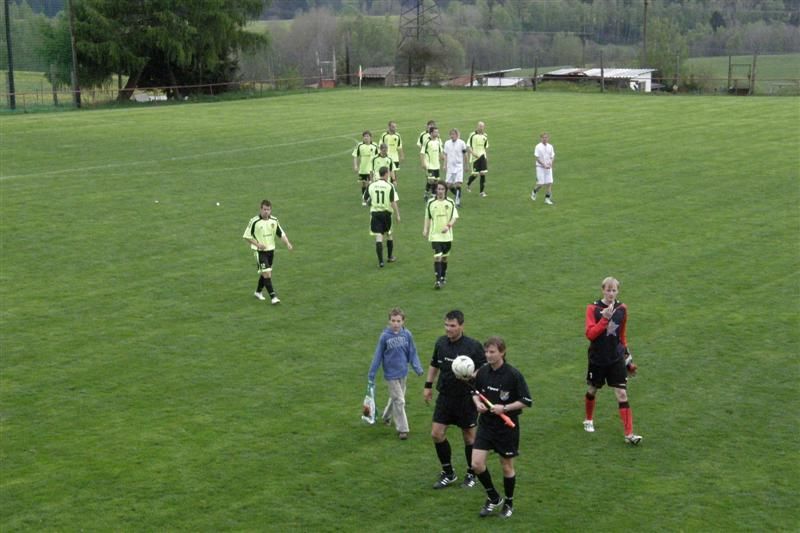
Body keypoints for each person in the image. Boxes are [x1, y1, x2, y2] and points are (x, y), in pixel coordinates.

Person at [469, 336, 533, 519]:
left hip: (506, 427)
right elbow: (475, 392)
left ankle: (509, 503)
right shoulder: (483, 372)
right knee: (476, 464)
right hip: (486, 424)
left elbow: (526, 401)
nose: (488, 355)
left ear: (502, 352)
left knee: (506, 467)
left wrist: (504, 408)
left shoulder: (513, 375)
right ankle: (493, 497)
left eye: (492, 352)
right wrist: (477, 404)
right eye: (486, 352)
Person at [423, 310, 487, 490]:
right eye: (446, 325)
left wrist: (472, 374)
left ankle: (471, 474)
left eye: (452, 326)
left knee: (469, 436)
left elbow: (485, 367)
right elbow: (434, 364)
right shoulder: (441, 343)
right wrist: (428, 386)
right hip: (445, 396)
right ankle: (448, 473)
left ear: (461, 326)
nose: (448, 329)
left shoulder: (473, 346)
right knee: (436, 433)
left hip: (466, 398)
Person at [583, 276, 642, 445]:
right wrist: (604, 319)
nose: (611, 293)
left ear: (617, 292)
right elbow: (590, 335)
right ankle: (588, 419)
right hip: (598, 358)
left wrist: (628, 359)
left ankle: (629, 434)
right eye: (608, 290)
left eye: (614, 290)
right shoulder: (593, 308)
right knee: (593, 389)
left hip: (615, 358)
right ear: (603, 290)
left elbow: (622, 336)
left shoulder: (622, 309)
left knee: (622, 393)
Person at [368, 308, 425, 440]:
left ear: (403, 321)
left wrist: (417, 368)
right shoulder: (385, 337)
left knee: (396, 398)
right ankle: (402, 429)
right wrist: (372, 374)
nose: (395, 324)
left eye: (398, 321)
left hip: (403, 373)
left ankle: (386, 416)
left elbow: (412, 352)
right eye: (393, 321)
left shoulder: (407, 335)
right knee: (399, 401)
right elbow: (378, 355)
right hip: (391, 375)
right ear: (389, 321)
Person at [242, 199, 293, 304]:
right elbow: (246, 236)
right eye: (264, 209)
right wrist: (258, 244)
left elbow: (281, 234)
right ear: (261, 209)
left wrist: (287, 243)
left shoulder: (274, 220)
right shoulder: (254, 221)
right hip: (259, 251)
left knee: (265, 272)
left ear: (271, 210)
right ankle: (273, 297)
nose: (266, 212)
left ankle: (258, 292)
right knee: (267, 274)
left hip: (271, 251)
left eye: (268, 209)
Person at [422, 181, 458, 289]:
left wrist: (448, 226)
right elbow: (427, 217)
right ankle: (438, 281)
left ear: (445, 190)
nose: (440, 191)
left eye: (442, 189)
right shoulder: (431, 202)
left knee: (444, 258)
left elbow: (454, 217)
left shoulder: (450, 202)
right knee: (438, 257)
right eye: (439, 189)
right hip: (435, 235)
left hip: (447, 236)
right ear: (436, 190)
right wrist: (425, 229)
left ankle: (443, 277)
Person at [367, 166, 400, 267]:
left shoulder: (372, 185)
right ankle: (390, 257)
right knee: (389, 234)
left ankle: (381, 262)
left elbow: (366, 199)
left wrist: (371, 202)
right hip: (386, 214)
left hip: (375, 214)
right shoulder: (389, 186)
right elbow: (393, 202)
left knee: (378, 237)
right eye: (388, 173)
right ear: (385, 174)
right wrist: (397, 215)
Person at [442, 128, 469, 208]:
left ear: (457, 135)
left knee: (458, 184)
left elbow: (465, 155)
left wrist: (466, 165)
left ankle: (457, 202)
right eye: (451, 134)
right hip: (450, 167)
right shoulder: (447, 143)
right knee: (448, 185)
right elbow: (445, 155)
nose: (452, 136)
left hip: (458, 167)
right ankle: (457, 194)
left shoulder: (461, 143)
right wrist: (444, 165)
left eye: (453, 134)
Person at [352, 130, 378, 206]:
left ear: (371, 137)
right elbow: (355, 156)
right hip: (362, 168)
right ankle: (364, 199)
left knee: (370, 184)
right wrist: (355, 166)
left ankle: (369, 199)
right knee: (363, 184)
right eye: (364, 136)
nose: (366, 138)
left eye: (367, 136)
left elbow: (378, 156)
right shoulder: (360, 145)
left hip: (371, 169)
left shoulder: (375, 145)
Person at [420, 126, 444, 200]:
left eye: (437, 132)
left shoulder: (438, 141)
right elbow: (422, 153)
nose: (437, 133)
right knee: (431, 180)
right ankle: (428, 193)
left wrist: (443, 157)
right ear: (431, 133)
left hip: (437, 165)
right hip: (429, 165)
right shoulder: (427, 141)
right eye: (435, 132)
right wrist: (423, 163)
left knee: (436, 181)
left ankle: (432, 195)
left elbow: (440, 151)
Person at [466, 121, 490, 197]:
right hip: (475, 158)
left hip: (482, 157)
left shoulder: (485, 136)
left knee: (483, 173)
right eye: (480, 126)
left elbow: (485, 147)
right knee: (475, 174)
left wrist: (486, 157)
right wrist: (473, 153)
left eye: (482, 126)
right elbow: (468, 146)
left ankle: (481, 192)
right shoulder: (472, 135)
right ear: (477, 126)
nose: (481, 128)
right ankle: (468, 184)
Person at [531, 132, 555, 205]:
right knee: (541, 184)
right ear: (541, 138)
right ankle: (534, 191)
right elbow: (537, 158)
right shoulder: (538, 147)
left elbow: (552, 156)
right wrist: (544, 165)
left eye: (546, 137)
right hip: (540, 167)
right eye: (543, 137)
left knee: (549, 183)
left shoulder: (550, 146)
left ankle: (547, 199)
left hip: (548, 167)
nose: (545, 139)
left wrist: (551, 163)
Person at [417, 120, 437, 198]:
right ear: (427, 126)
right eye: (430, 125)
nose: (431, 127)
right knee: (430, 179)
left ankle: (431, 193)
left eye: (433, 125)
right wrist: (424, 151)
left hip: (434, 160)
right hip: (426, 159)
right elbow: (419, 144)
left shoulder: (436, 136)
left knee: (434, 179)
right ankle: (430, 193)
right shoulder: (423, 135)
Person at [380, 121, 404, 185]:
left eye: (395, 127)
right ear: (389, 127)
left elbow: (399, 146)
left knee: (394, 173)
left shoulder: (397, 135)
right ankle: (386, 186)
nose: (395, 128)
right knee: (385, 172)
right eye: (393, 127)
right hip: (386, 157)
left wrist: (401, 155)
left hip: (395, 157)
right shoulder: (384, 135)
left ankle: (393, 186)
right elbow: (381, 146)